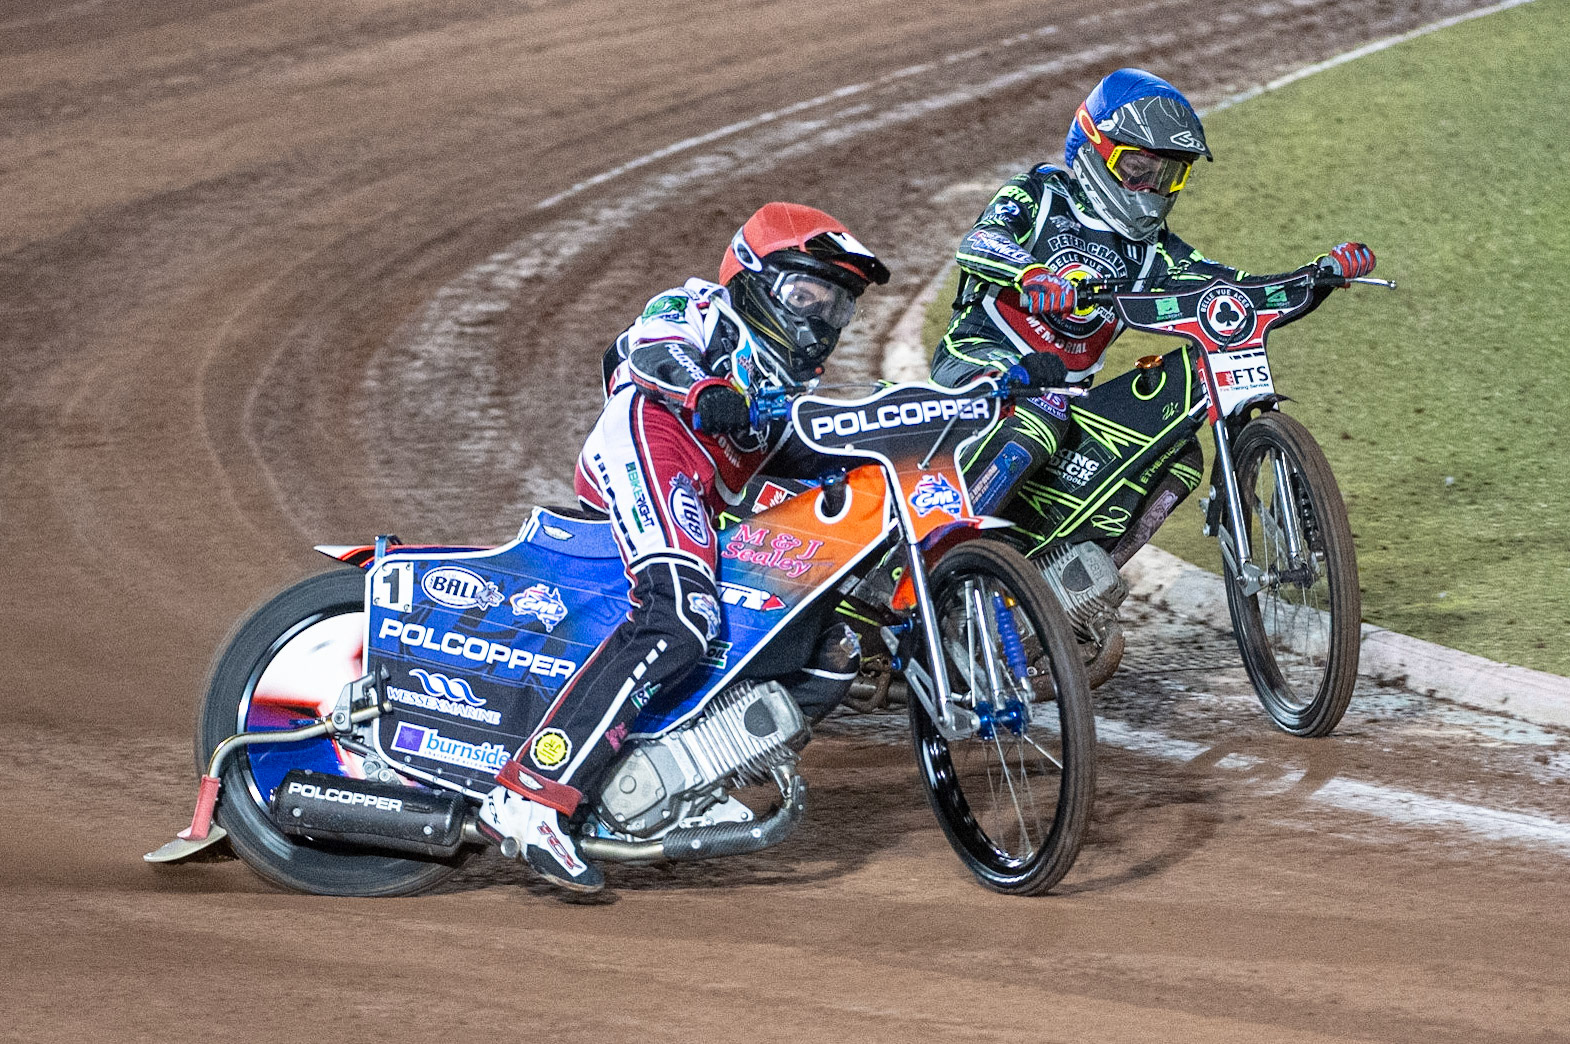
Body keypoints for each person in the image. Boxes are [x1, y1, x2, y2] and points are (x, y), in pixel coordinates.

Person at [478, 202, 889, 892]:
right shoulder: (699, 306)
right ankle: (531, 796)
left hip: (702, 496)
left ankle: (686, 775)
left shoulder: (798, 384)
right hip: (651, 441)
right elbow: (652, 354)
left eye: (836, 307)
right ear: (755, 279)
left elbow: (794, 452)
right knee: (682, 618)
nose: (820, 319)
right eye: (805, 295)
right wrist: (705, 389)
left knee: (822, 642)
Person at [931, 67, 1376, 523]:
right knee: (1037, 417)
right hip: (976, 362)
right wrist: (1030, 274)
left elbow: (1238, 289)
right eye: (1138, 169)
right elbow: (980, 241)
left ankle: (1066, 582)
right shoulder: (1040, 193)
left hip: (1066, 399)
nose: (1151, 190)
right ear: (1094, 147)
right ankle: (942, 541)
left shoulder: (1157, 251)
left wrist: (1317, 277)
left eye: (1167, 175)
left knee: (1178, 455)